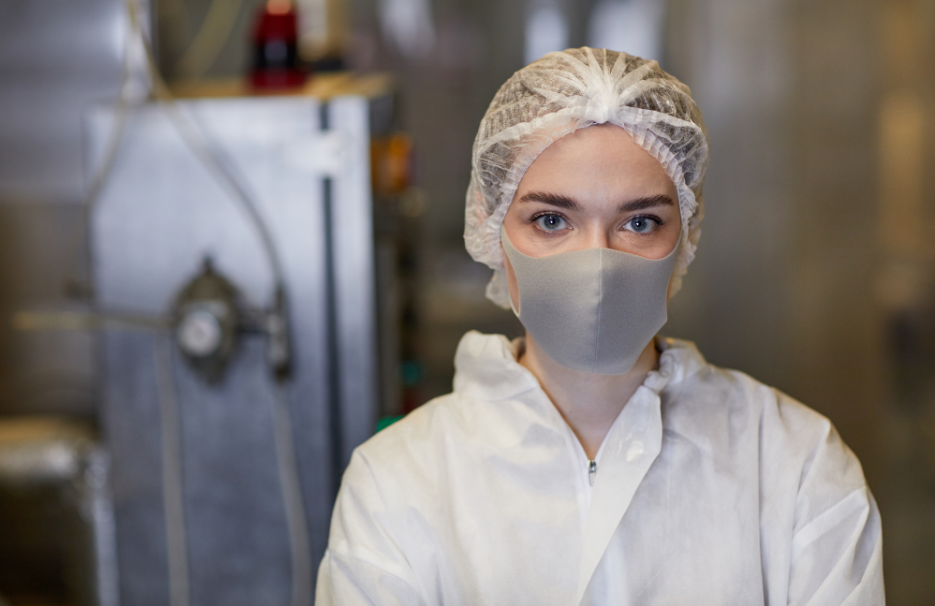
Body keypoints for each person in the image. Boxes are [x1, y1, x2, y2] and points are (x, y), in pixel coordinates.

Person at [315, 48, 884, 605]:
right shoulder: (398, 482)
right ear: (491, 229)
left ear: (685, 235)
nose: (596, 263)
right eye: (551, 220)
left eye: (639, 222)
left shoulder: (795, 463)